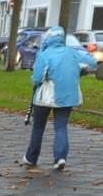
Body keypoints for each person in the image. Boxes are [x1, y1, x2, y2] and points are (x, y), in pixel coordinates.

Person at [21, 25, 93, 172]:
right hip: (68, 96)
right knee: (61, 127)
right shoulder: (72, 53)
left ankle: (31, 157)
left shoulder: (45, 54)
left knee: (38, 127)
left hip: (46, 97)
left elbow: (37, 78)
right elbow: (90, 63)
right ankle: (60, 157)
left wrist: (34, 81)